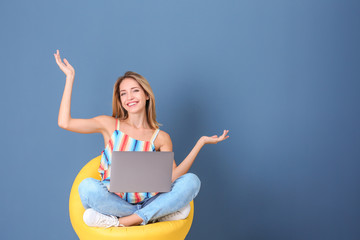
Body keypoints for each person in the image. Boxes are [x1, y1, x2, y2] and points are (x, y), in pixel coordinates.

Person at [54, 49, 229, 228]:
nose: (129, 97)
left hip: (149, 200)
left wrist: (200, 143)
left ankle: (123, 222)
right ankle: (154, 216)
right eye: (123, 93)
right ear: (120, 100)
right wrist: (70, 77)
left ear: (146, 95)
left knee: (192, 182)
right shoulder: (109, 125)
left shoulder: (161, 138)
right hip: (117, 204)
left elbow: (172, 178)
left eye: (135, 91)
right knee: (87, 188)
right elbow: (65, 122)